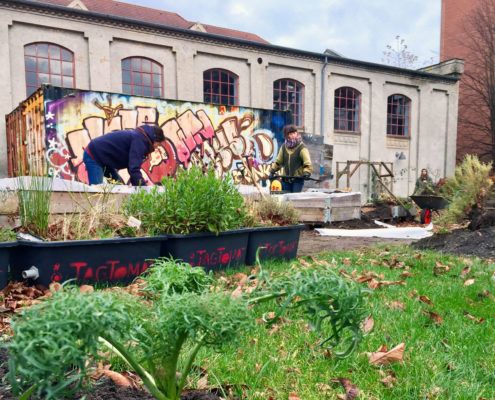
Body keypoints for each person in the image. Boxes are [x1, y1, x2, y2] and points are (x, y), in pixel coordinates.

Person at [83, 124, 165, 186]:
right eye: (158, 144)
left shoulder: (140, 138)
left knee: (119, 188)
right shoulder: (139, 141)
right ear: (154, 139)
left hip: (104, 159)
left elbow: (131, 167)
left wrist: (138, 187)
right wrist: (144, 189)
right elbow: (134, 169)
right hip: (94, 155)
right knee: (97, 193)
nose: (157, 147)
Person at [269, 124, 313, 193]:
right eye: (291, 133)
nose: (293, 135)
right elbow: (278, 162)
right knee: (286, 199)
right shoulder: (283, 147)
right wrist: (272, 171)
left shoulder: (302, 147)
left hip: (297, 180)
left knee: (295, 199)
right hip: (286, 179)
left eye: (294, 133)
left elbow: (307, 162)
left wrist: (306, 172)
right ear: (287, 135)